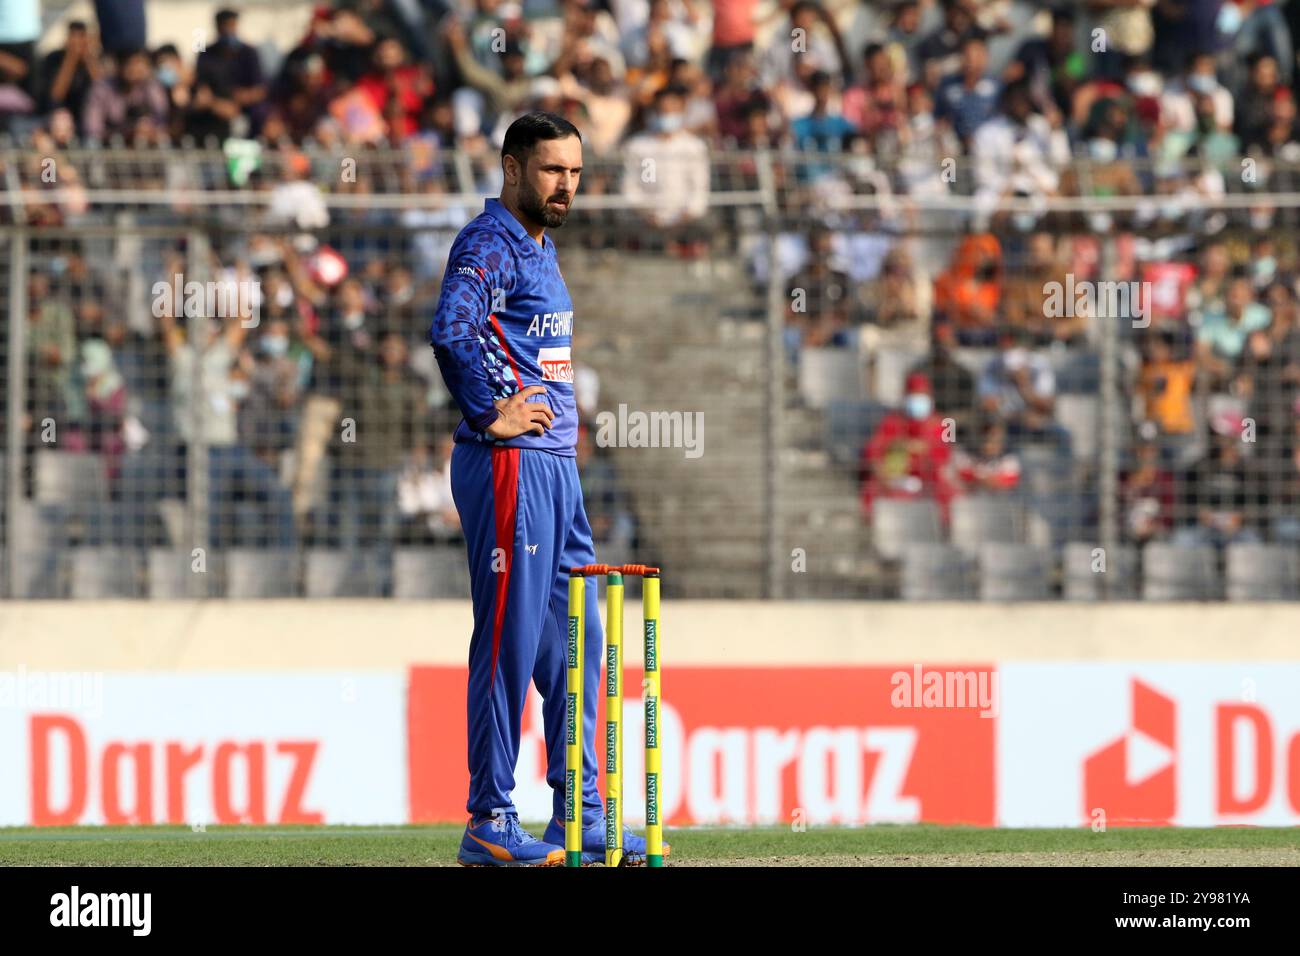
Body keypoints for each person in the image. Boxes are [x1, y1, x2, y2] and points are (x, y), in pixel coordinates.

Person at [429, 112, 668, 867]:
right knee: (505, 640)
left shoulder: (540, 247)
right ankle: (489, 817)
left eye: (574, 171)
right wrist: (490, 412)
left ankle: (582, 813)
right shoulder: (488, 242)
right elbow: (452, 330)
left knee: (578, 645)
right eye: (551, 170)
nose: (566, 185)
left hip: (556, 470)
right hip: (511, 465)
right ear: (510, 167)